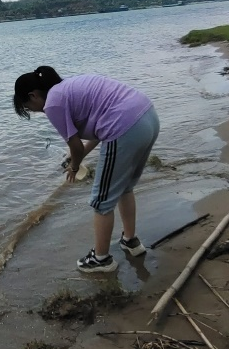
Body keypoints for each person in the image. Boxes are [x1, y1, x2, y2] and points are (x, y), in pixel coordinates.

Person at [13, 66, 160, 273]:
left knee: (101, 200)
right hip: (148, 117)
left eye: (28, 107)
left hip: (124, 127)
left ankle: (101, 259)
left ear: (33, 96)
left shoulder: (52, 103)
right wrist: (75, 157)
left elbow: (77, 146)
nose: (33, 111)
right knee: (125, 187)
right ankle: (130, 241)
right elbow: (96, 135)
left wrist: (74, 167)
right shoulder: (68, 88)